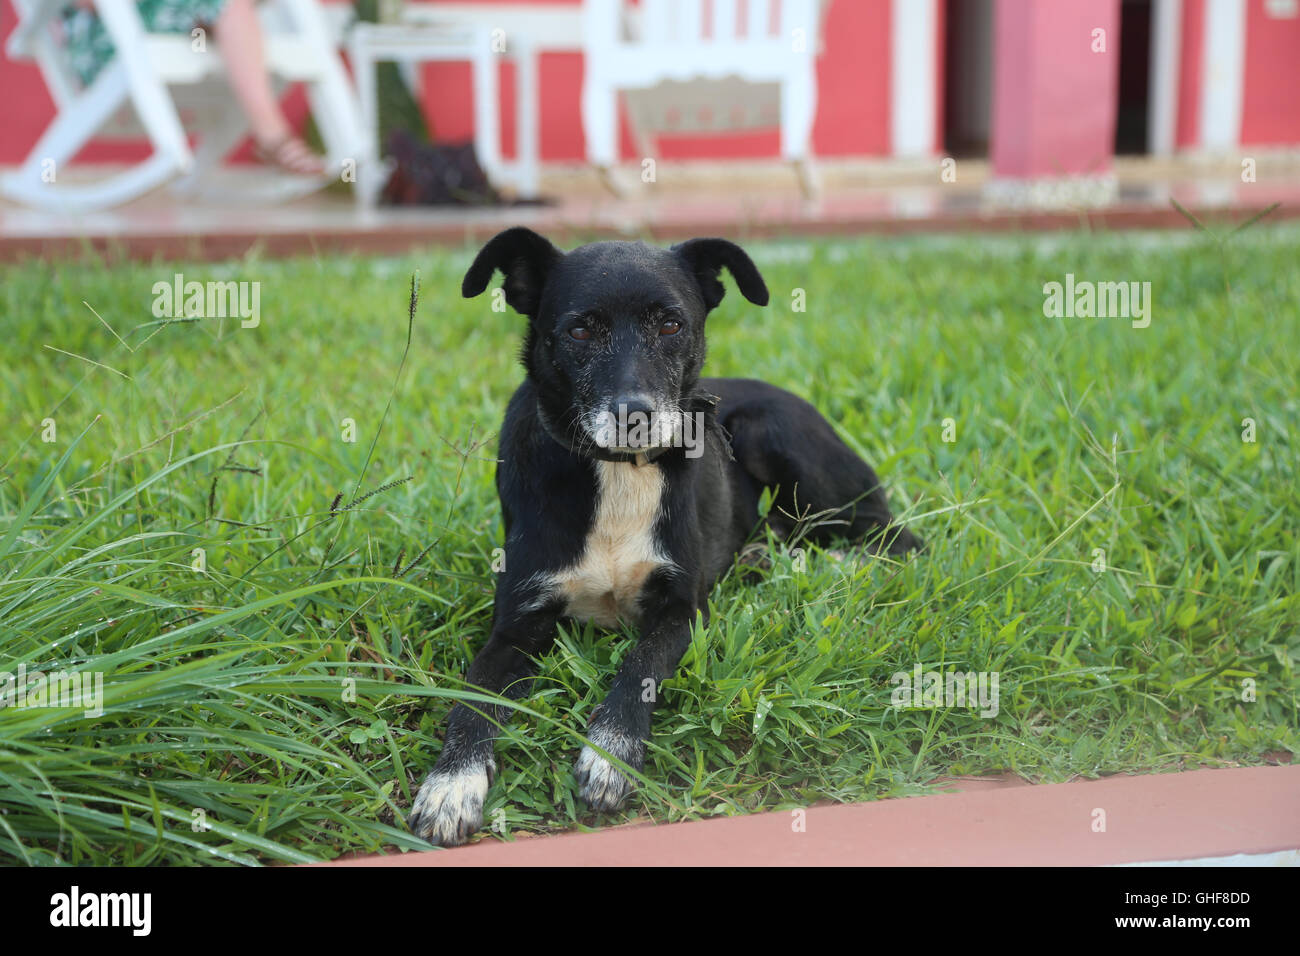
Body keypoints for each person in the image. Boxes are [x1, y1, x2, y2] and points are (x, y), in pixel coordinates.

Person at [60, 0, 326, 175]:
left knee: (232, 5)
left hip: (176, 21)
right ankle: (273, 138)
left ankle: (272, 137)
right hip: (109, 37)